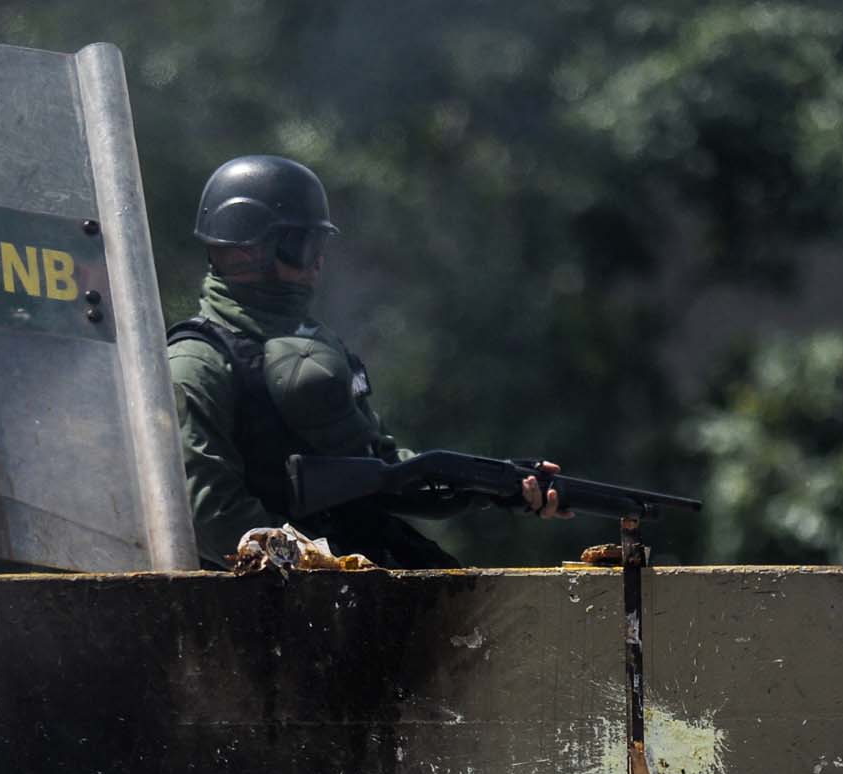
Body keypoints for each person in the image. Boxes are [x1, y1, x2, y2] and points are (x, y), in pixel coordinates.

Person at [167, 155, 569, 569]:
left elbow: (381, 469)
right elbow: (213, 517)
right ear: (247, 252)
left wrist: (491, 486)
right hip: (274, 608)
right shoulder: (198, 363)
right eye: (305, 246)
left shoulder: (318, 346)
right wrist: (319, 567)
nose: (319, 261)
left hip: (358, 578)